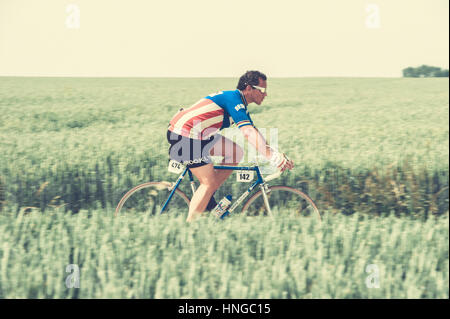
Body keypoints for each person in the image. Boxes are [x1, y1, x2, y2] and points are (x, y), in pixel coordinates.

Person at [167, 70, 294, 222]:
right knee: (208, 183)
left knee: (235, 152)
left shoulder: (239, 103)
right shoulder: (234, 99)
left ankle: (208, 197)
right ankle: (189, 229)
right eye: (262, 90)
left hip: (198, 134)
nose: (265, 94)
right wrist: (272, 157)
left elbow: (254, 132)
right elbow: (248, 132)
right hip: (184, 135)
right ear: (248, 88)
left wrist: (275, 154)